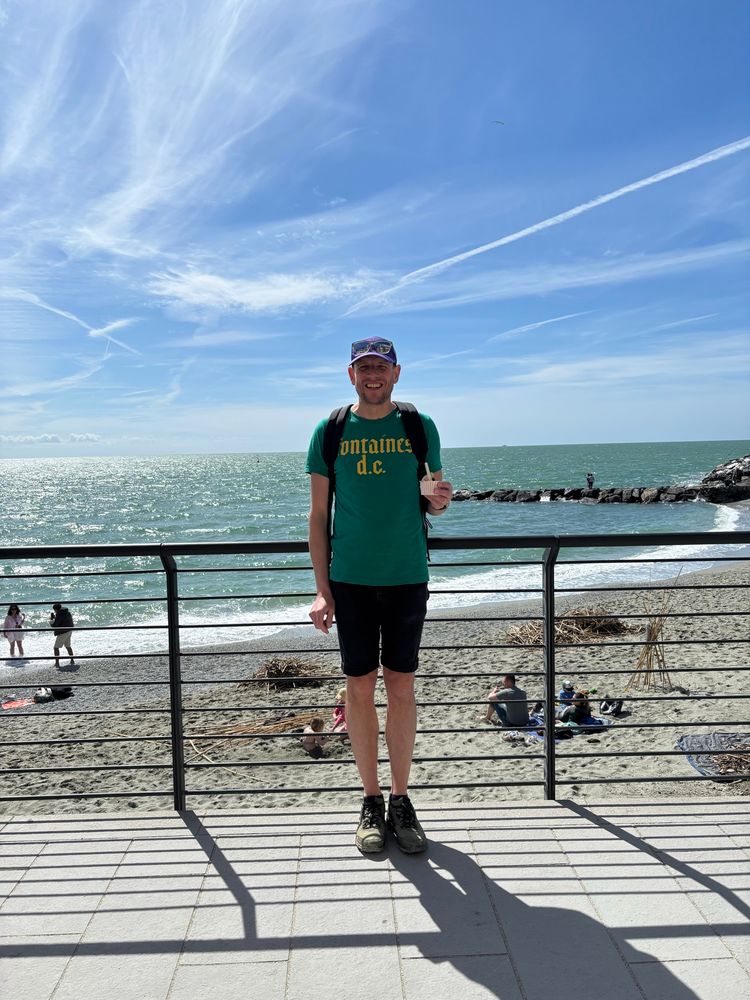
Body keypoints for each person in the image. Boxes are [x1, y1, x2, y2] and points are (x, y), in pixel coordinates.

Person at [306, 336, 452, 855]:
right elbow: (318, 516)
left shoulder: (418, 424)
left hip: (407, 574)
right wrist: (322, 589)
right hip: (350, 580)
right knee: (359, 687)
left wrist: (440, 502)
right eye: (363, 367)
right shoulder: (330, 429)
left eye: (381, 367)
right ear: (351, 375)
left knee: (402, 686)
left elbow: (434, 500)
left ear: (396, 373)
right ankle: (370, 800)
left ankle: (401, 798)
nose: (372, 375)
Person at [50, 603, 75, 669]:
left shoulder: (59, 614)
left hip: (63, 632)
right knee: (68, 646)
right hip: (69, 630)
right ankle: (72, 660)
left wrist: (51, 620)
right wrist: (56, 618)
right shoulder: (67, 612)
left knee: (56, 648)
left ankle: (57, 663)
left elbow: (55, 625)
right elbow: (63, 621)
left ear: (56, 609)